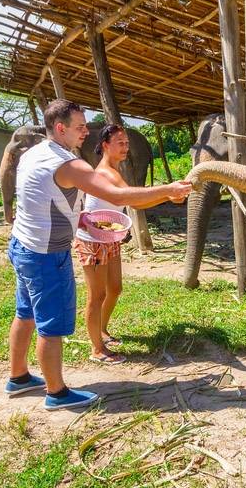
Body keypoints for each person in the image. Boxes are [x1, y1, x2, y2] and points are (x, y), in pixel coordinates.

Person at [4, 100, 191, 410]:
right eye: (80, 127)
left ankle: (19, 377)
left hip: (22, 245)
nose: (86, 131)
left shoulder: (34, 153)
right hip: (46, 255)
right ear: (60, 128)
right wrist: (167, 190)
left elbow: (43, 199)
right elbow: (116, 196)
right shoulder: (70, 164)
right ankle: (56, 393)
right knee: (51, 326)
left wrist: (81, 218)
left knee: (25, 314)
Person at [74, 124, 163, 365]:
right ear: (105, 145)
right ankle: (96, 349)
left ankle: (101, 331)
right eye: (120, 143)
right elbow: (134, 200)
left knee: (114, 289)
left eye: (126, 143)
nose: (125, 147)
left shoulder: (114, 169)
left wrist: (167, 195)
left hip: (110, 236)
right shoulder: (105, 173)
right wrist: (168, 192)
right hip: (93, 239)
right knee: (96, 295)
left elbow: (136, 202)